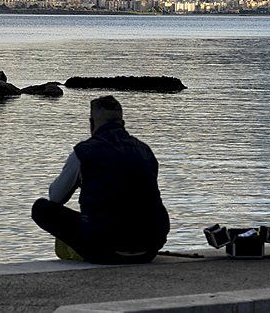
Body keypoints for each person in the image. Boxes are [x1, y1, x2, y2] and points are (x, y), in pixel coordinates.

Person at [31, 95, 170, 264]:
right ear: (123, 124)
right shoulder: (145, 151)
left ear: (91, 124)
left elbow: (56, 197)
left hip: (104, 249)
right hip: (149, 247)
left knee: (41, 208)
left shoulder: (83, 152)